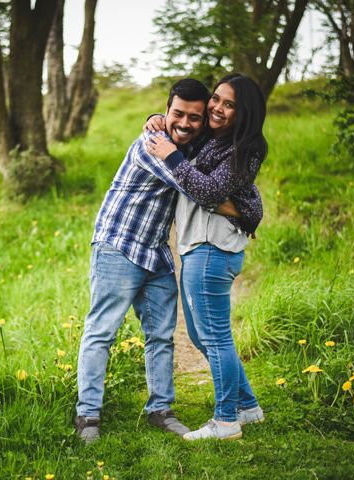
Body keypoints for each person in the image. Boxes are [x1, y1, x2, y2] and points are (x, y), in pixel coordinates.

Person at [74, 78, 260, 444]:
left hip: (156, 250)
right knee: (102, 331)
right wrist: (247, 212)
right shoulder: (153, 146)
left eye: (195, 117)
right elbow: (198, 189)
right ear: (168, 109)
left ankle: (160, 409)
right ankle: (87, 415)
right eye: (176, 113)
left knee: (161, 336)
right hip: (119, 245)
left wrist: (248, 206)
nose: (185, 123)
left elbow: (213, 176)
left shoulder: (189, 150)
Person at [144, 73, 267, 441]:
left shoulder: (246, 148)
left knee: (215, 338)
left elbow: (208, 190)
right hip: (198, 248)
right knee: (201, 336)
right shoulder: (215, 140)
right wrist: (157, 119)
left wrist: (172, 156)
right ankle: (248, 407)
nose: (217, 107)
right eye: (217, 99)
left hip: (213, 249)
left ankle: (226, 421)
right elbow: (182, 125)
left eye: (229, 104)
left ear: (244, 112)